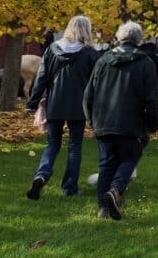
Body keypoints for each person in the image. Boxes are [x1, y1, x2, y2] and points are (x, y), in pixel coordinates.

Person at [83, 21, 158, 220]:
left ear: (119, 37)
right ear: (139, 39)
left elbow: (88, 95)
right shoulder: (145, 63)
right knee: (129, 159)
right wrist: (152, 123)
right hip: (132, 122)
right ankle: (116, 190)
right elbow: (152, 99)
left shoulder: (103, 61)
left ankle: (103, 208)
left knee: (106, 165)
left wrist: (92, 120)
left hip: (104, 121)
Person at [25, 15, 100, 200]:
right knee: (75, 147)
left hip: (55, 103)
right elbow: (97, 82)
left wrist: (32, 103)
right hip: (78, 106)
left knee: (53, 143)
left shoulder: (52, 49)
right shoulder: (90, 53)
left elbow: (41, 78)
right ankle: (69, 187)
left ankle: (41, 175)